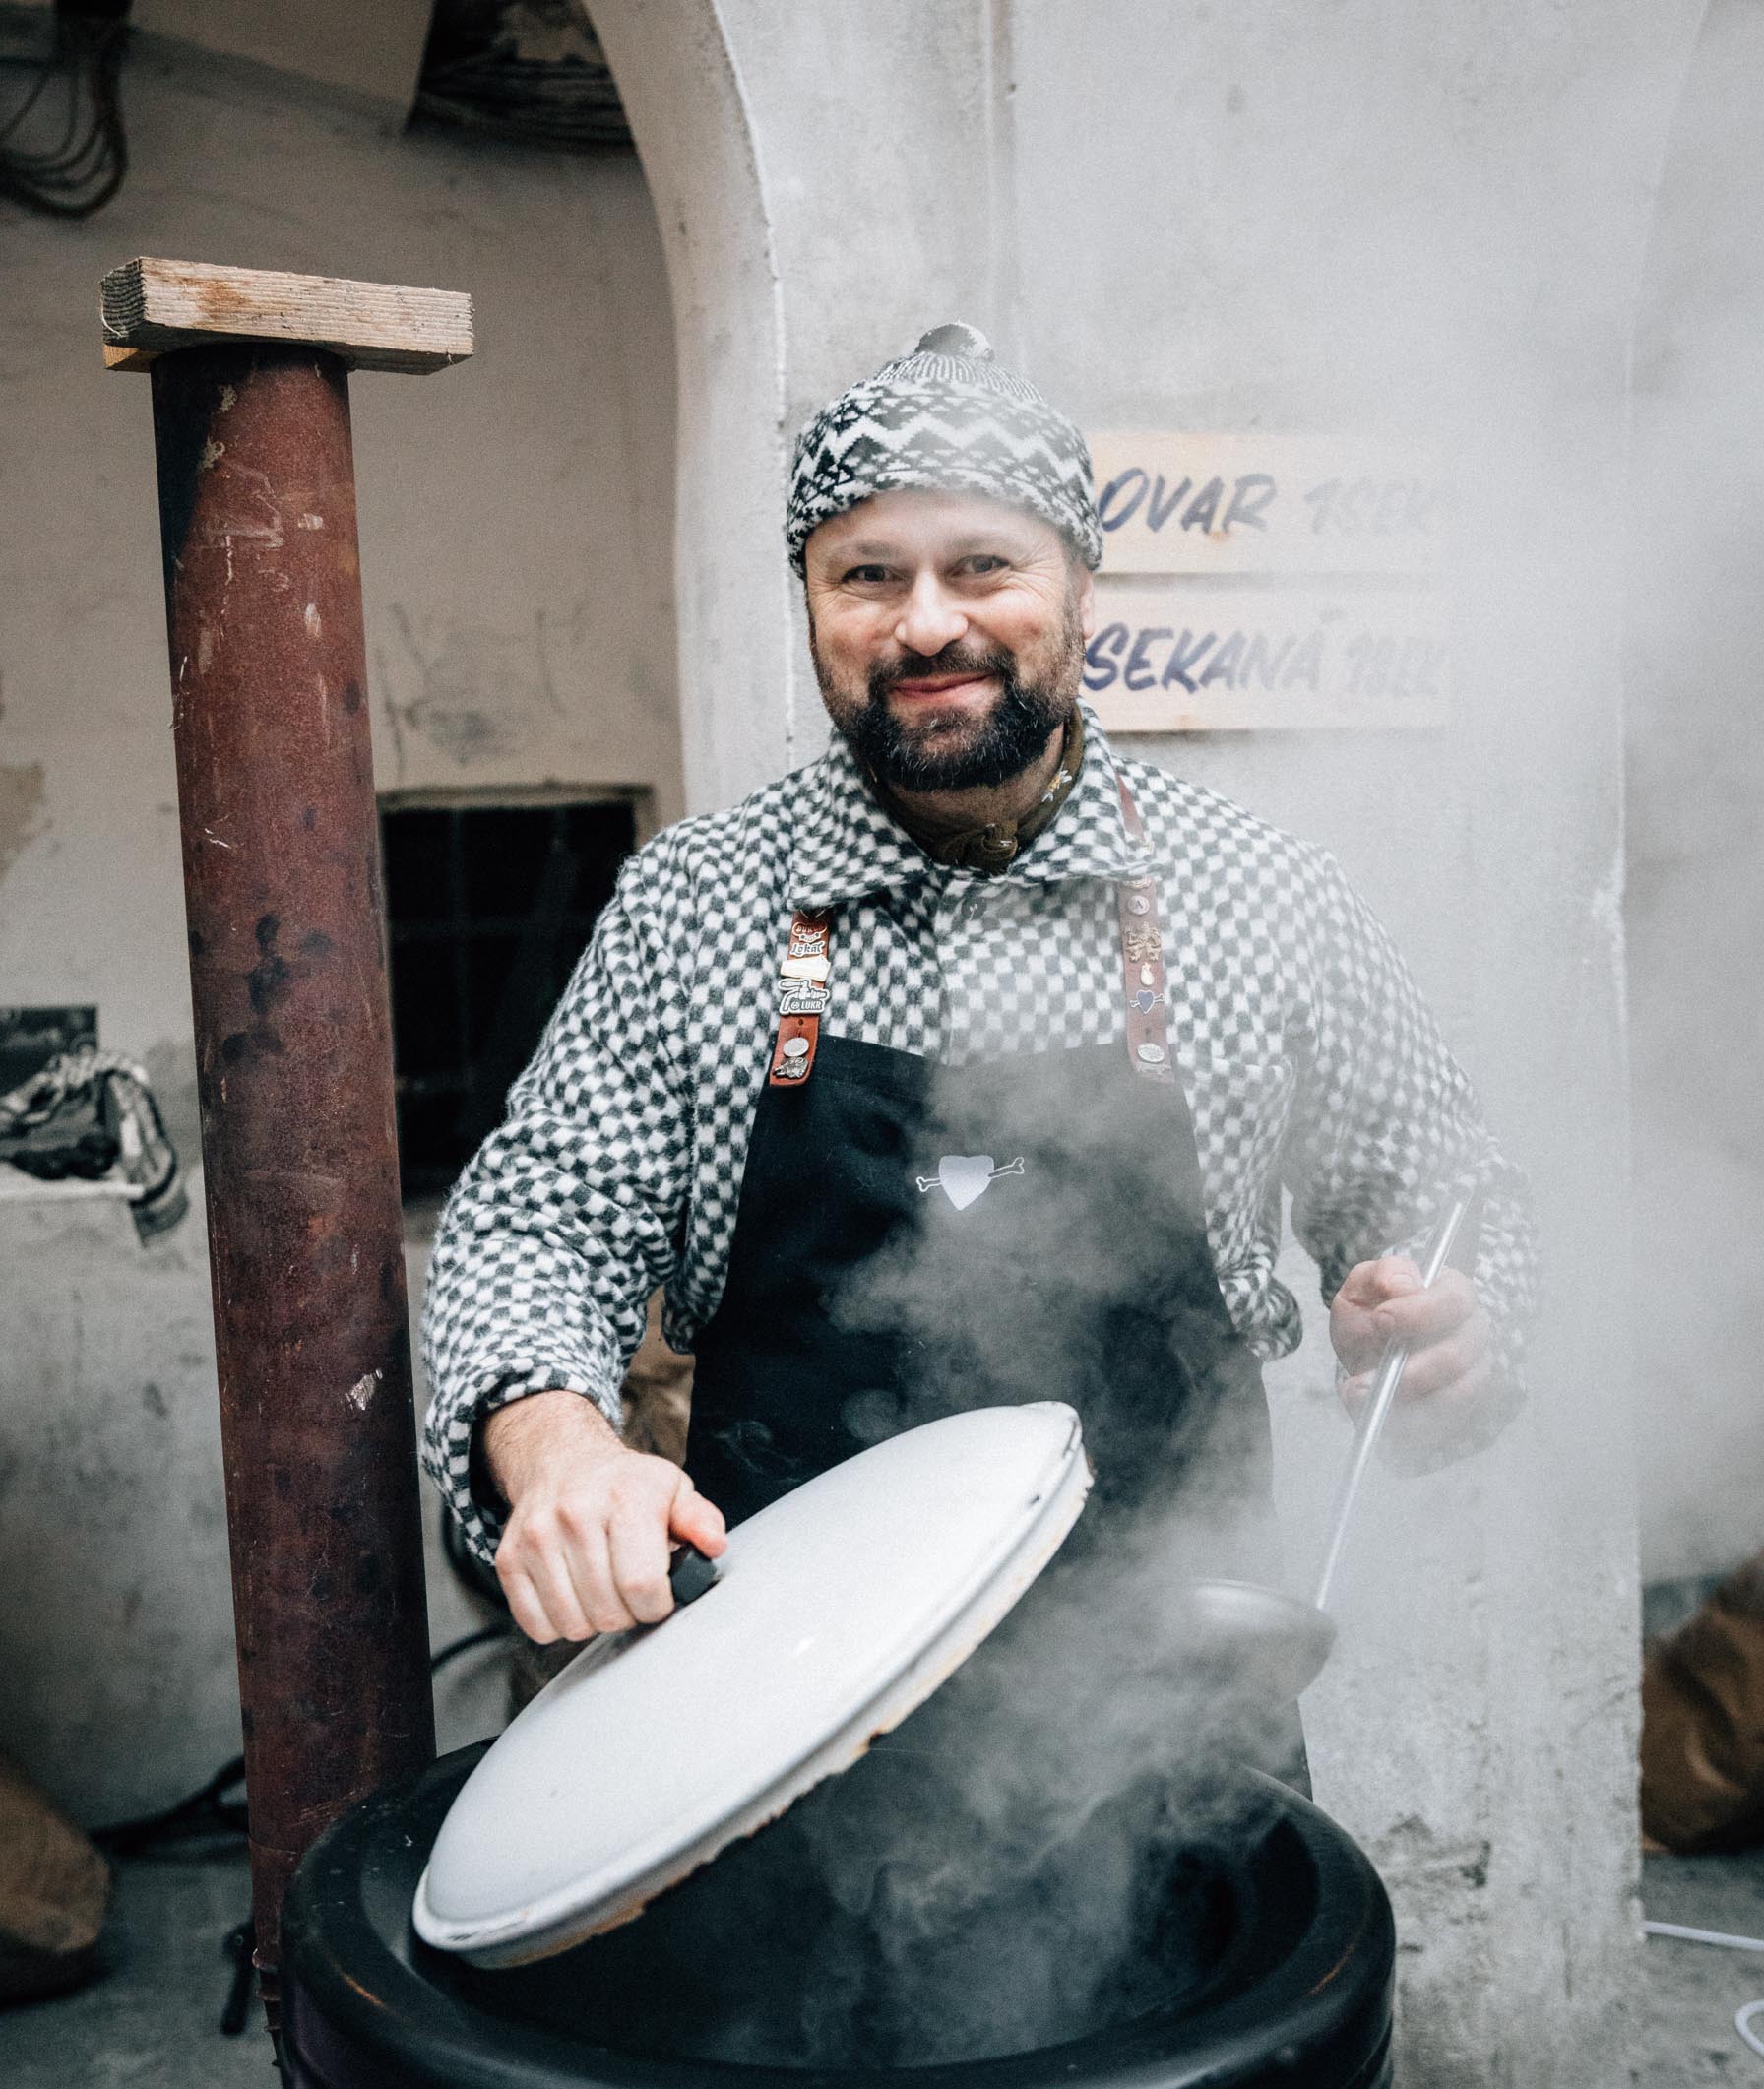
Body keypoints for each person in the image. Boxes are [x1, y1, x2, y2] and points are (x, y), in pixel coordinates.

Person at [421, 323, 1536, 1659]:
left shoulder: (1261, 891)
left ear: (1079, 587)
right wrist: (559, 1450)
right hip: (763, 1689)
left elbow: (1448, 1205)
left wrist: (1443, 1334)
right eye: (868, 574)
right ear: (812, 602)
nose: (927, 621)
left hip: (1161, 1689)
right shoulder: (693, 903)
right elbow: (536, 1229)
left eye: (984, 565)